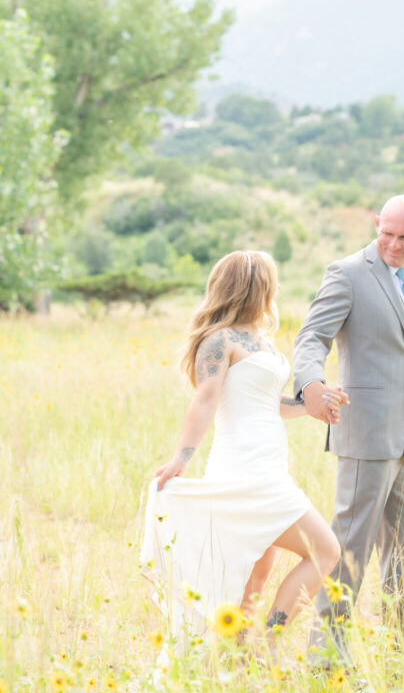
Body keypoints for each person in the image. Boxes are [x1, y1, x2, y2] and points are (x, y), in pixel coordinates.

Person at [140, 250, 345, 658]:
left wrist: (311, 406)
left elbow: (268, 405)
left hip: (269, 464)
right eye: (273, 280)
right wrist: (182, 457)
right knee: (325, 551)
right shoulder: (220, 341)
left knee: (255, 575)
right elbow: (206, 400)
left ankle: (239, 658)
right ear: (258, 287)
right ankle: (268, 643)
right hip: (246, 472)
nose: (278, 287)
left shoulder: (261, 341)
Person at [293, 195, 404, 665]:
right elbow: (312, 338)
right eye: (385, 232)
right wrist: (311, 383)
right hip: (363, 436)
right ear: (376, 225)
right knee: (350, 551)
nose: (392, 243)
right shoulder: (347, 274)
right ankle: (326, 657)